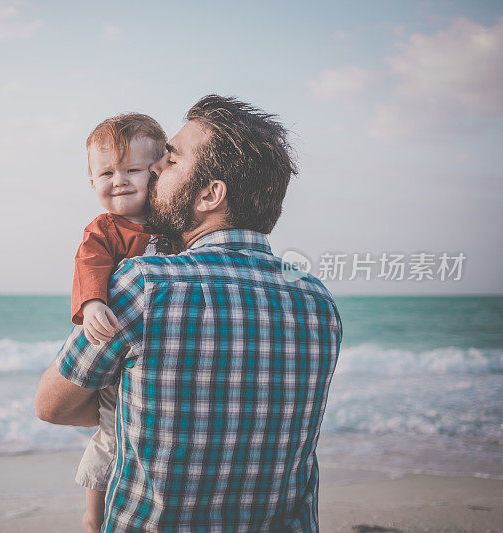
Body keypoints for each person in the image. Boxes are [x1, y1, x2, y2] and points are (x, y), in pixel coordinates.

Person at [36, 95, 342, 531]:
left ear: (209, 194)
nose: (155, 169)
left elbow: (51, 405)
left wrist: (120, 410)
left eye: (171, 160)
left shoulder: (146, 284)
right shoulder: (318, 302)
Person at [71, 113, 168, 533]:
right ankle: (94, 516)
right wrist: (93, 304)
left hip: (162, 355)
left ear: (158, 172)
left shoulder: (174, 223)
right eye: (106, 172)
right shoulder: (104, 230)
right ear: (92, 181)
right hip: (116, 348)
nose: (119, 180)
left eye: (132, 170)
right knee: (112, 435)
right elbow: (89, 264)